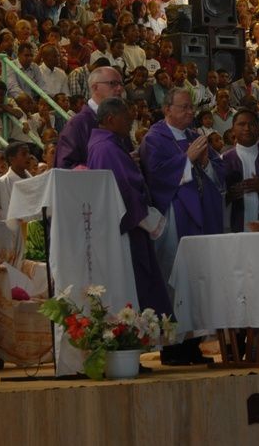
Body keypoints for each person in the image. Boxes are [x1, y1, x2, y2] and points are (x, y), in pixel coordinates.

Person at [139, 88, 224, 365]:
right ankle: (172, 349)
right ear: (167, 110)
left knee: (197, 280)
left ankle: (192, 345)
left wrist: (205, 161)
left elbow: (217, 172)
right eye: (184, 107)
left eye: (191, 108)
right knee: (175, 281)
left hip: (200, 218)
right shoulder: (155, 138)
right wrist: (186, 159)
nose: (190, 112)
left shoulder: (192, 136)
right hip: (175, 218)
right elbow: (156, 175)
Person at [87, 98, 172, 316]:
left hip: (126, 226)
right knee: (141, 284)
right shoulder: (107, 148)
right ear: (110, 119)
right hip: (130, 228)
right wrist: (151, 220)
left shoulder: (108, 145)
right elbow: (126, 190)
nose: (131, 121)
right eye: (126, 118)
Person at [54, 65, 124, 169]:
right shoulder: (78, 123)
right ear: (95, 87)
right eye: (113, 83)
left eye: (121, 84)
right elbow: (64, 166)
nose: (120, 89)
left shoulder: (120, 119)